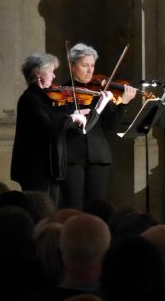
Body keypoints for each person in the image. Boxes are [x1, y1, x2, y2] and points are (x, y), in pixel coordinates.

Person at [61, 43, 137, 210]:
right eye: (84, 65)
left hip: (99, 157)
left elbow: (112, 125)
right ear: (72, 66)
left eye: (92, 66)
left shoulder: (100, 93)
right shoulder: (63, 92)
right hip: (73, 157)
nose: (90, 71)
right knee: (74, 207)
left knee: (96, 208)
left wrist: (123, 103)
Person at [11, 53, 88, 204]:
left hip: (51, 166)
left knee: (50, 210)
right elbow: (48, 129)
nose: (54, 76)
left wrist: (74, 114)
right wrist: (71, 118)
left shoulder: (46, 98)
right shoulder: (30, 99)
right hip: (36, 168)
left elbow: (59, 121)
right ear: (38, 74)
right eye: (51, 71)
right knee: (40, 211)